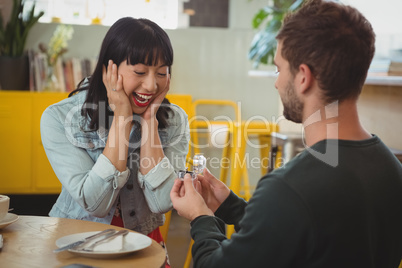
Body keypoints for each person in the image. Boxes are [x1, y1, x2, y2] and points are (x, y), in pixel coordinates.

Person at [170, 0, 402, 267]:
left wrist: (201, 218)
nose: (277, 82)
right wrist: (230, 205)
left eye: (279, 69)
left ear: (303, 77)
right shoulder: (391, 170)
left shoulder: (289, 189)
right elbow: (303, 231)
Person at [41, 17, 190, 265]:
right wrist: (123, 118)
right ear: (108, 70)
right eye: (140, 72)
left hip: (144, 245)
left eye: (162, 73)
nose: (152, 85)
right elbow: (95, 203)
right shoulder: (60, 117)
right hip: (77, 246)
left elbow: (162, 202)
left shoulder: (175, 120)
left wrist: (150, 120)